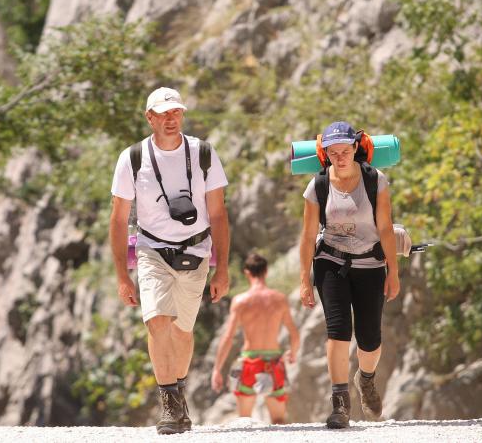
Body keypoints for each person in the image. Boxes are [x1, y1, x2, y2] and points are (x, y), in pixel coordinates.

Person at [110, 87, 230, 435]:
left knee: (183, 330)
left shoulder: (203, 153)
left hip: (196, 250)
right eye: (162, 113)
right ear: (149, 117)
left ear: (182, 115)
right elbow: (118, 220)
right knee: (157, 321)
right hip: (151, 251)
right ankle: (169, 404)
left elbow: (219, 213)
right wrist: (122, 276)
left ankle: (178, 389)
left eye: (175, 112)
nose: (170, 118)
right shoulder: (132, 159)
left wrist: (222, 268)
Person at [299, 121, 400, 429]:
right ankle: (340, 403)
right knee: (338, 330)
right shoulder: (317, 186)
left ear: (356, 149)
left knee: (369, 339)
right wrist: (305, 278)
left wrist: (393, 271)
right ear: (325, 153)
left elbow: (384, 227)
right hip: (332, 261)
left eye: (345, 151)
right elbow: (306, 237)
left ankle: (365, 379)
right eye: (333, 152)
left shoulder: (375, 180)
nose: (340, 158)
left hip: (370, 262)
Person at [210, 253, 300, 424]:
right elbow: (294, 334)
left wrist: (217, 369)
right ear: (266, 271)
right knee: (279, 420)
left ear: (247, 273)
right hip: (273, 362)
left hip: (248, 363)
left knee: (244, 421)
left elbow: (228, 337)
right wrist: (293, 354)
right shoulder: (279, 299)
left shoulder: (240, 301)